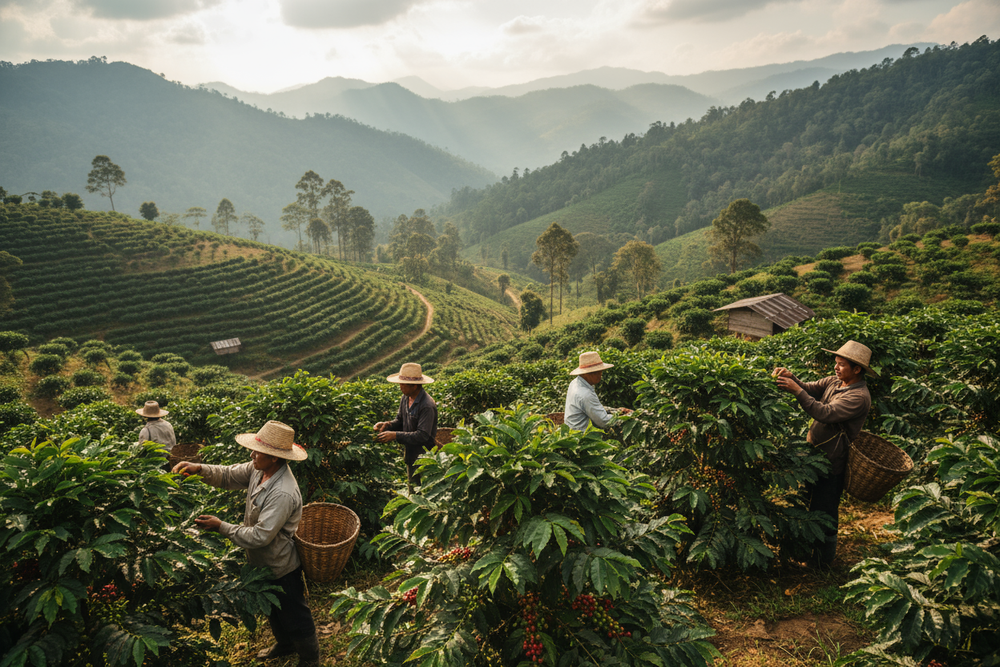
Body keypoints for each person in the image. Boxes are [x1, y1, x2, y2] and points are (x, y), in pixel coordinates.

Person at [172, 421, 320, 667]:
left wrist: (222, 526)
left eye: (257, 451)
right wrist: (199, 468)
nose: (252, 454)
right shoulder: (258, 469)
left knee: (294, 614)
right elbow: (229, 474)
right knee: (274, 610)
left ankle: (310, 657)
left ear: (274, 457)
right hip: (260, 561)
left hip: (281, 565)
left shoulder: (282, 492)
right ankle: (284, 645)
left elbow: (261, 536)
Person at [774, 340, 875, 568]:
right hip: (814, 456)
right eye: (836, 363)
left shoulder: (858, 397)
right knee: (806, 499)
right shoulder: (834, 382)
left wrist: (796, 390)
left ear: (857, 369)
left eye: (841, 365)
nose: (836, 368)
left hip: (832, 461)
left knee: (825, 509)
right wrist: (793, 379)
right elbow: (810, 389)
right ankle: (805, 548)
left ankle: (822, 560)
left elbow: (824, 413)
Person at [374, 362, 437, 493]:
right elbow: (400, 420)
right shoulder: (405, 398)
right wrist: (388, 425)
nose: (400, 386)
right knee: (412, 491)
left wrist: (395, 435)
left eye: (403, 384)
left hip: (425, 459)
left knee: (424, 494)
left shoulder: (427, 405)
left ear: (414, 386)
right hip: (411, 455)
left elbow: (423, 435)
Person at [563, 351, 633, 431]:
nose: (600, 375)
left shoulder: (575, 382)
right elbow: (604, 422)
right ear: (587, 373)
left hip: (571, 429)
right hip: (581, 436)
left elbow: (592, 408)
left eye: (600, 371)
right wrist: (627, 417)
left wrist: (617, 411)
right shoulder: (585, 394)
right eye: (597, 372)